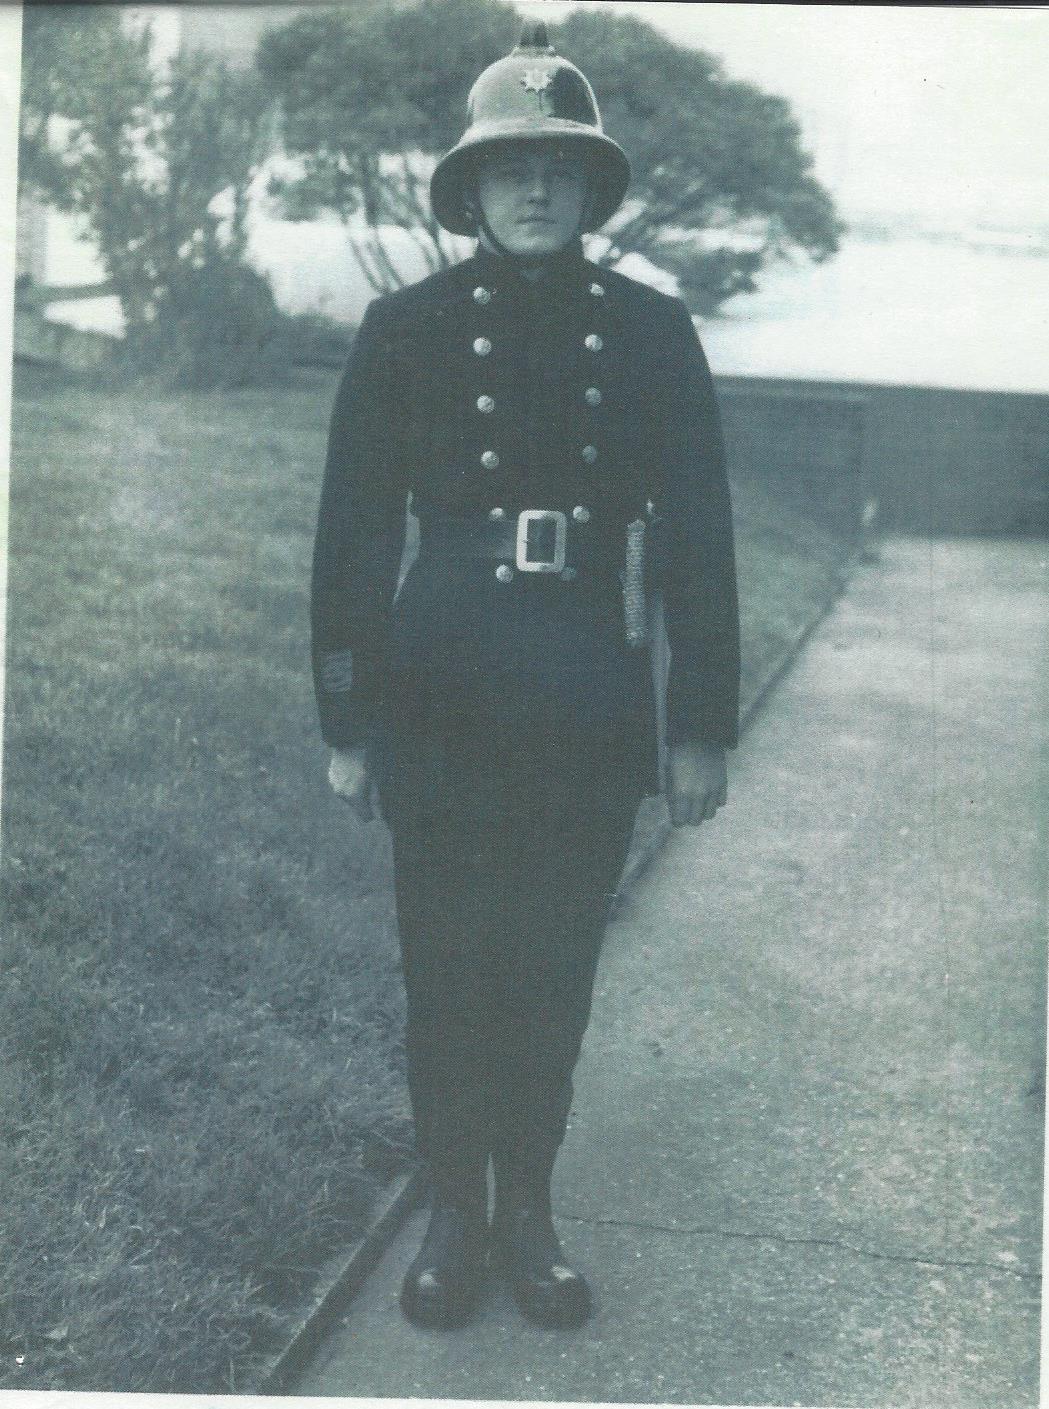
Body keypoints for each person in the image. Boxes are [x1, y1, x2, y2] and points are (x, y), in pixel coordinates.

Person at [310, 21, 740, 1332]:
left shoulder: (653, 334)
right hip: (438, 683)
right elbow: (351, 533)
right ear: (473, 190)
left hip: (580, 689)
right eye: (511, 167)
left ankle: (532, 1209)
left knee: (550, 963)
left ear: (590, 186)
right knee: (445, 961)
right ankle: (452, 1212)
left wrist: (699, 723)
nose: (536, 187)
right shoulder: (406, 330)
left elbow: (698, 540)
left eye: (559, 166)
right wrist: (345, 715)